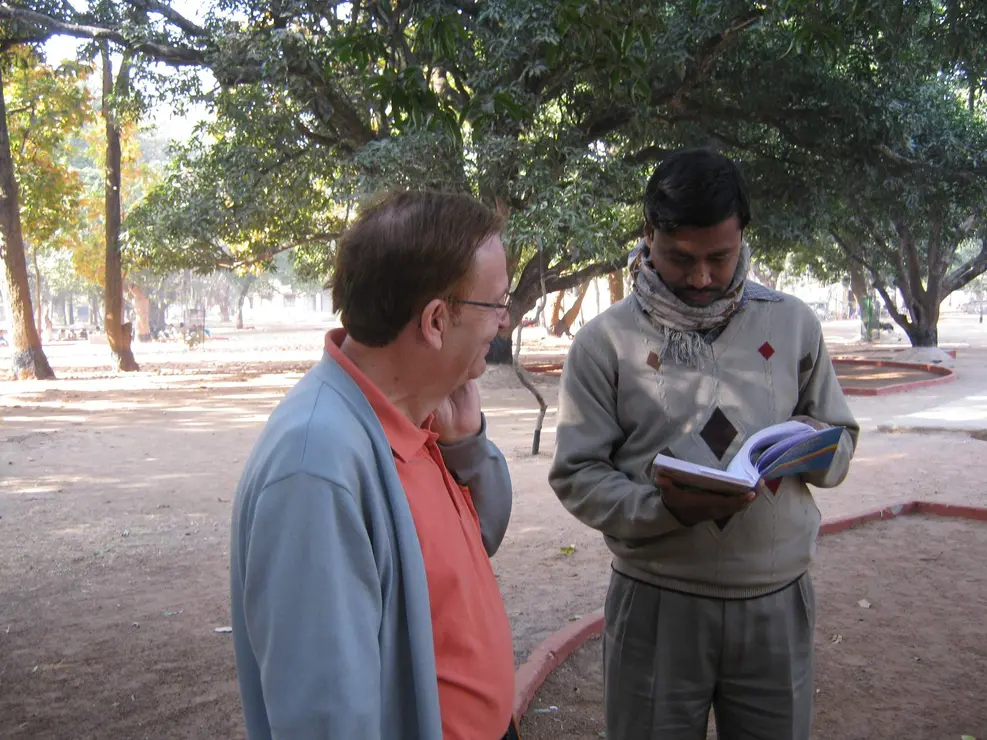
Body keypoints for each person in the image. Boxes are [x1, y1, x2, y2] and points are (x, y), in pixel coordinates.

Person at [549, 148, 859, 740]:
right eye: (680, 258)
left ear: (744, 234)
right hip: (659, 602)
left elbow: (839, 436)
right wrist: (663, 508)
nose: (701, 278)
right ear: (648, 236)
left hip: (775, 600)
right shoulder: (603, 343)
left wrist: (818, 450)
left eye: (720, 256)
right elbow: (577, 474)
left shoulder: (793, 324)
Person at [230, 190, 520, 740]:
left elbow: (479, 539)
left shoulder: (413, 415)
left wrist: (464, 449)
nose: (503, 322)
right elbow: (326, 722)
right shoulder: (315, 467)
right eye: (497, 303)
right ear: (436, 320)